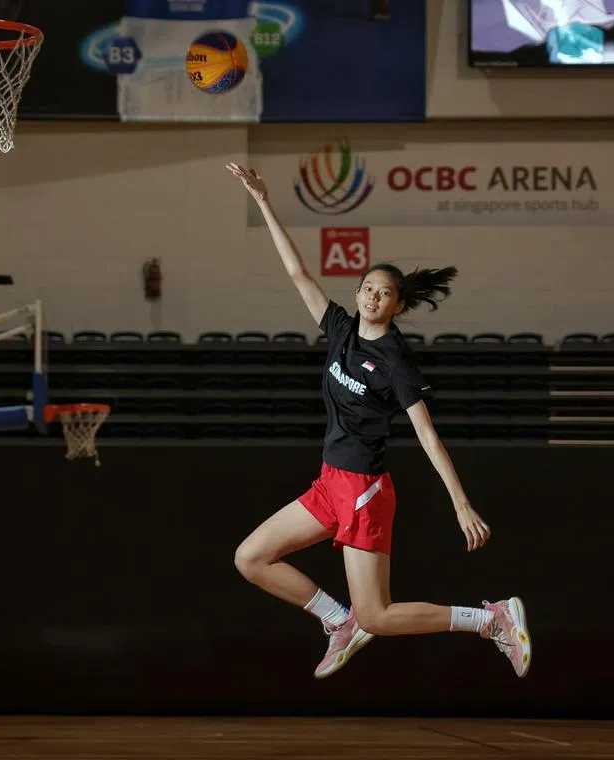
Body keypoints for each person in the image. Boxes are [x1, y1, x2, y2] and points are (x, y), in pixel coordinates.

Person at [227, 162, 531, 680]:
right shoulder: (340, 330)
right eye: (367, 287)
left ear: (398, 304)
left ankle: (492, 618)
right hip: (330, 483)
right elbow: (298, 273)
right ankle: (338, 621)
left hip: (364, 490)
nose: (371, 296)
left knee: (379, 616)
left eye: (383, 292)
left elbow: (428, 436)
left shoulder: (396, 362)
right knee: (251, 558)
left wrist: (460, 503)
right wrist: (263, 202)